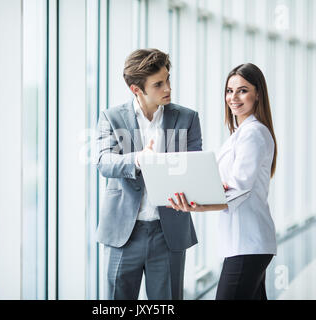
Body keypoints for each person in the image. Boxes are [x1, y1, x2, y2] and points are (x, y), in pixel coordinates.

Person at [96, 48, 202, 300]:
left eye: (168, 80)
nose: (167, 88)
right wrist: (138, 159)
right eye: (158, 84)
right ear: (136, 89)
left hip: (168, 233)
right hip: (123, 233)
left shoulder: (187, 118)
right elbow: (103, 161)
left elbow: (195, 166)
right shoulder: (111, 117)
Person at [168, 63, 278, 300]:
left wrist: (198, 204)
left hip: (248, 243)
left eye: (242, 90)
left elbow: (238, 188)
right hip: (244, 244)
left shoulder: (254, 134)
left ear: (258, 93)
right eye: (229, 90)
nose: (233, 97)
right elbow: (225, 184)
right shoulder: (241, 134)